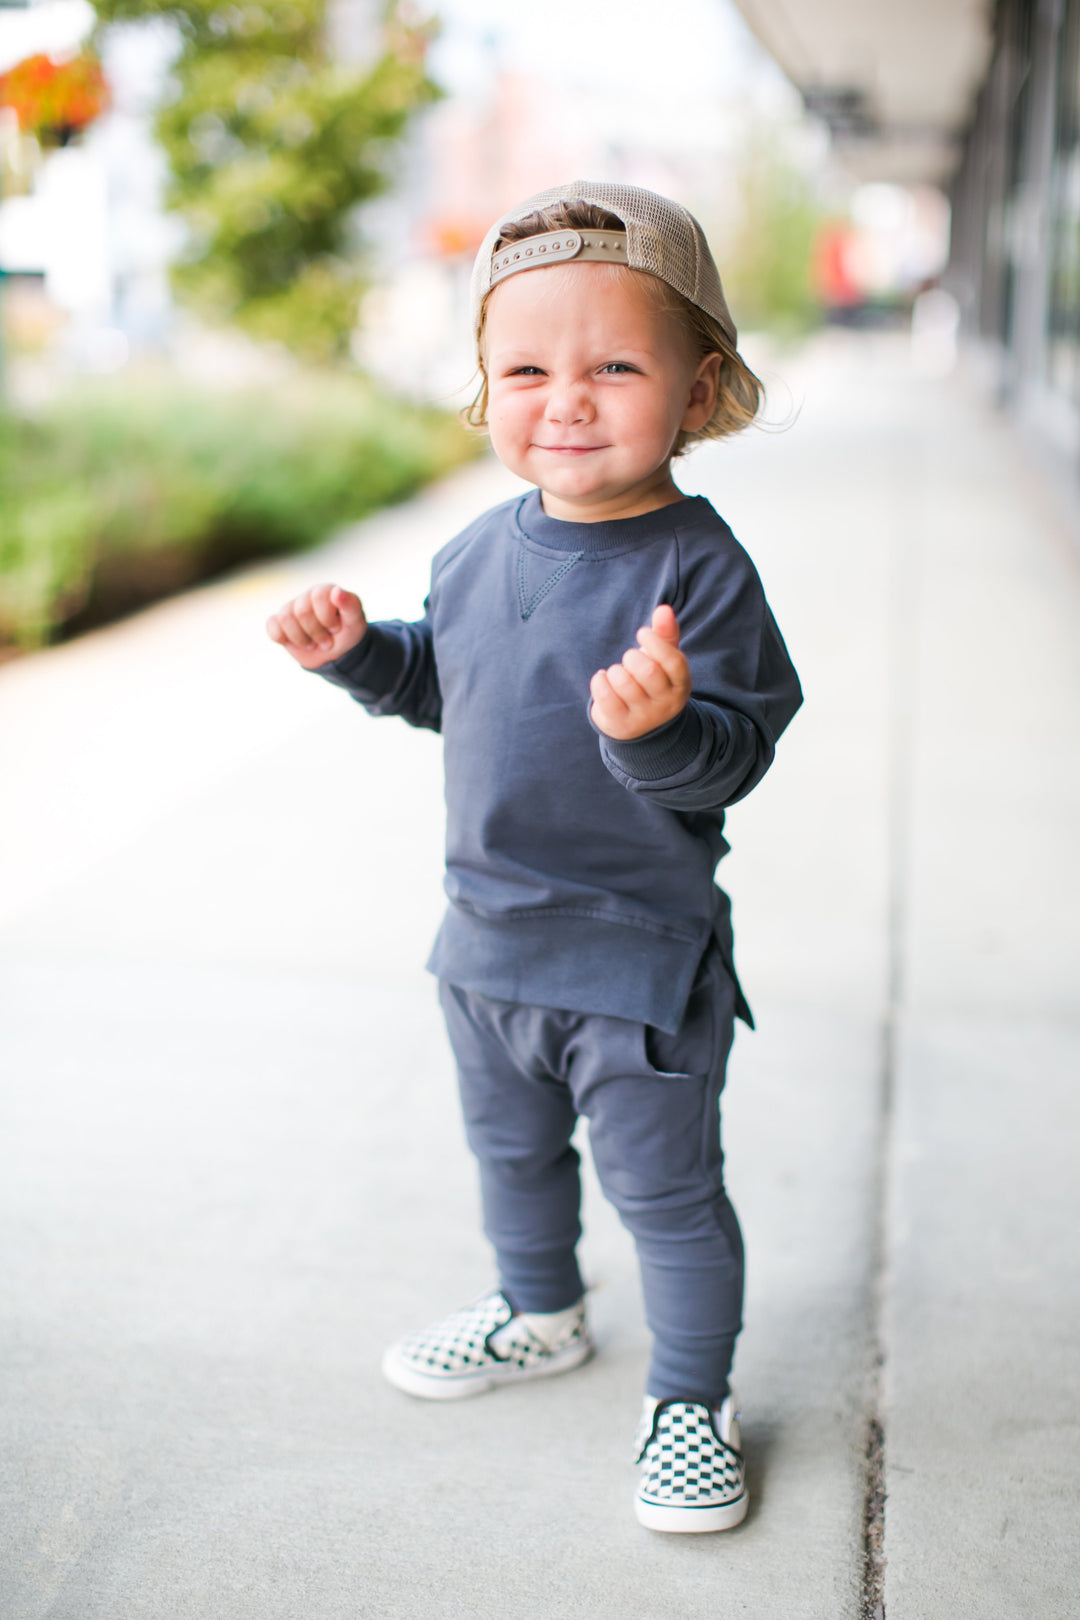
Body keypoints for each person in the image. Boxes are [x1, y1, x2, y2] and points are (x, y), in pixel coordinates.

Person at [266, 180, 802, 1534]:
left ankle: (689, 1400)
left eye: (614, 364)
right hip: (486, 945)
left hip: (636, 963)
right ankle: (539, 1311)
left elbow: (738, 753)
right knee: (513, 1161)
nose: (564, 398)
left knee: (669, 1197)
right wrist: (360, 658)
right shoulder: (468, 547)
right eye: (525, 369)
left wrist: (661, 731)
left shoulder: (703, 572)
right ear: (484, 391)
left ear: (699, 388)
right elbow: (454, 685)